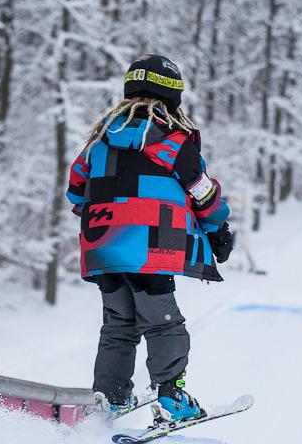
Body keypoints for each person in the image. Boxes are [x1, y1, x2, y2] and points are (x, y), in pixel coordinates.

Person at [65, 54, 233, 423]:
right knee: (162, 320)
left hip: (104, 245)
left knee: (118, 323)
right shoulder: (173, 144)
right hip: (154, 244)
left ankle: (111, 396)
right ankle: (171, 395)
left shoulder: (99, 143)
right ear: (172, 97)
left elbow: (76, 191)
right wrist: (219, 231)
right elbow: (202, 193)